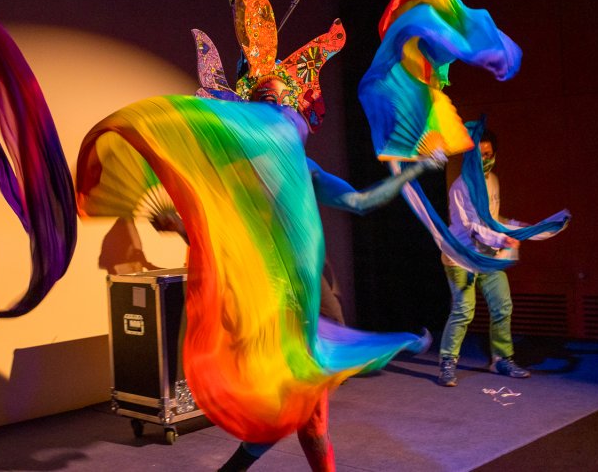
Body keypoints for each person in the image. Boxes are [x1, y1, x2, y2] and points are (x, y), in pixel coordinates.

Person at [152, 74, 445, 471]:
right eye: (263, 100)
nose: (272, 107)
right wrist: (179, 225)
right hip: (267, 307)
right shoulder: (241, 173)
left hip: (308, 308)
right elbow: (222, 235)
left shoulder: (302, 168)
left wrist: (414, 170)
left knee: (305, 417)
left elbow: (359, 202)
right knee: (301, 416)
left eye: (277, 99)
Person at [438, 128, 530, 387]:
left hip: (488, 256)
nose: (484, 160)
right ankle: (447, 362)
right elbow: (472, 228)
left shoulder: (493, 181)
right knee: (463, 311)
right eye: (478, 155)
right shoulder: (461, 187)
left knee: (502, 305)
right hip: (460, 257)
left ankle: (501, 359)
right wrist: (502, 239)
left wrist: (517, 227)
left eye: (488, 154)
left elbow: (492, 220)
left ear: (495, 155)